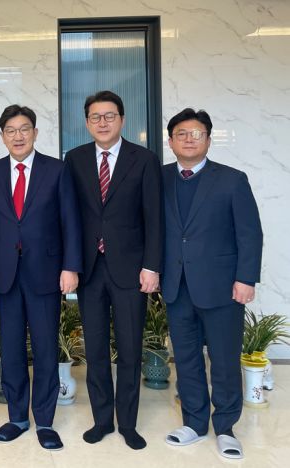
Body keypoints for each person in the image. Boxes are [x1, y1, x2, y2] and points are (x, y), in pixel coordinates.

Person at [161, 108, 262, 460]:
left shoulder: (232, 179)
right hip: (176, 286)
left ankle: (226, 427)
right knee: (186, 358)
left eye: (197, 133)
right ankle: (193, 422)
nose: (189, 139)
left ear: (209, 138)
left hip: (222, 286)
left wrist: (246, 279)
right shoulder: (159, 179)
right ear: (170, 140)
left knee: (223, 359)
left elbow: (250, 234)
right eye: (182, 134)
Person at [64, 90, 163, 450]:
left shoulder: (144, 159)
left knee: (130, 348)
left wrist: (152, 266)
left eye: (109, 116)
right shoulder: (73, 159)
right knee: (95, 350)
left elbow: (154, 218)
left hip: (131, 270)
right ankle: (102, 420)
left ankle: (129, 423)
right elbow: (69, 218)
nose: (102, 122)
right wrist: (70, 265)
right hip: (90, 270)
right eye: (95, 117)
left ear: (122, 119)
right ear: (87, 122)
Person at [0, 105, 82, 450]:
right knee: (9, 349)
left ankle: (46, 421)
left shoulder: (57, 170)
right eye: (11, 130)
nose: (18, 136)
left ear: (35, 133)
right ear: (3, 136)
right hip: (5, 273)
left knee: (44, 347)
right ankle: (17, 417)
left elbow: (70, 221)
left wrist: (71, 267)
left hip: (46, 273)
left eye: (24, 129)